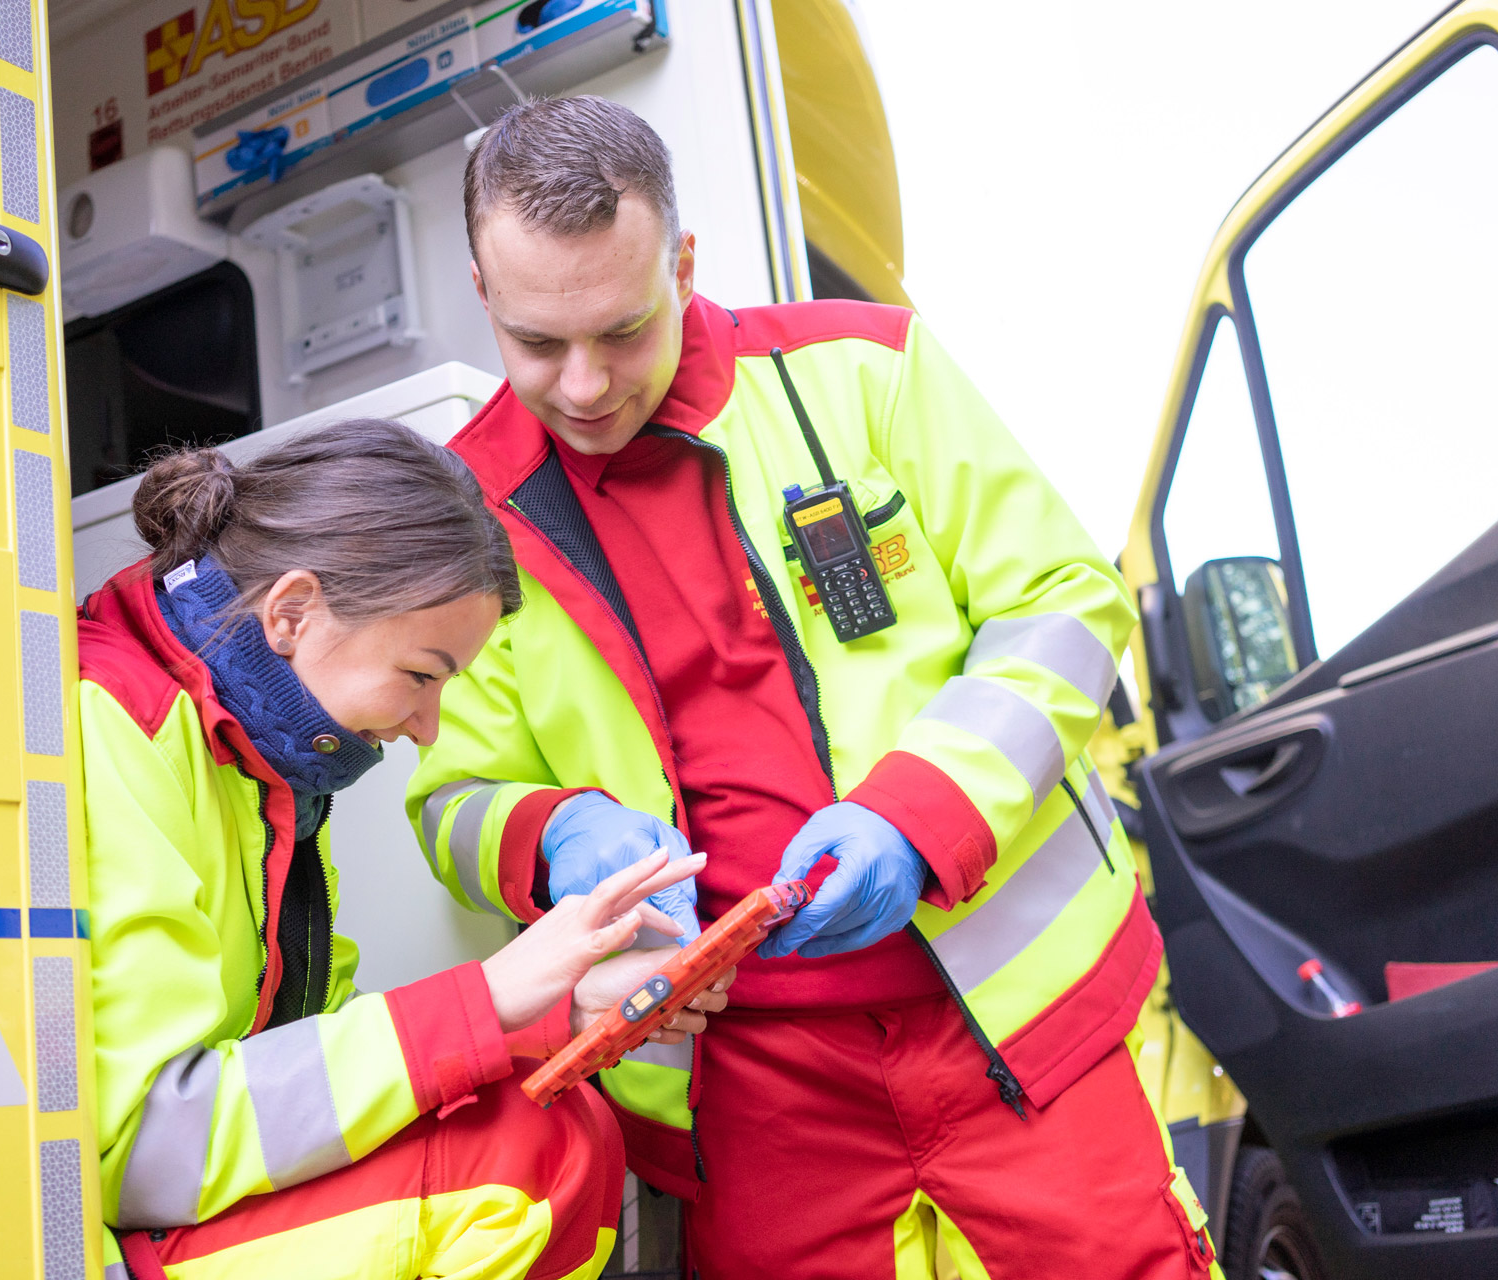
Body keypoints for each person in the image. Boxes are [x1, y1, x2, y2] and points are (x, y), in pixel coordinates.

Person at [408, 98, 1220, 1278]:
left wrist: (916, 813)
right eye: (538, 344)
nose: (582, 386)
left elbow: (1064, 600)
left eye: (624, 332)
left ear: (684, 266)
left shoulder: (867, 368)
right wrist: (557, 834)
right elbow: (452, 797)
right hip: (745, 1091)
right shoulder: (467, 507)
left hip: (1018, 1026)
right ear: (483, 290)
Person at [76, 419, 731, 1280]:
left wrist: (559, 1014)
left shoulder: (261, 746)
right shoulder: (115, 724)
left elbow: (302, 1051)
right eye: (421, 676)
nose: (426, 731)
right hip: (122, 1231)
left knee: (542, 1119)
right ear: (293, 611)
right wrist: (488, 999)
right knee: (523, 1166)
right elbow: (144, 1151)